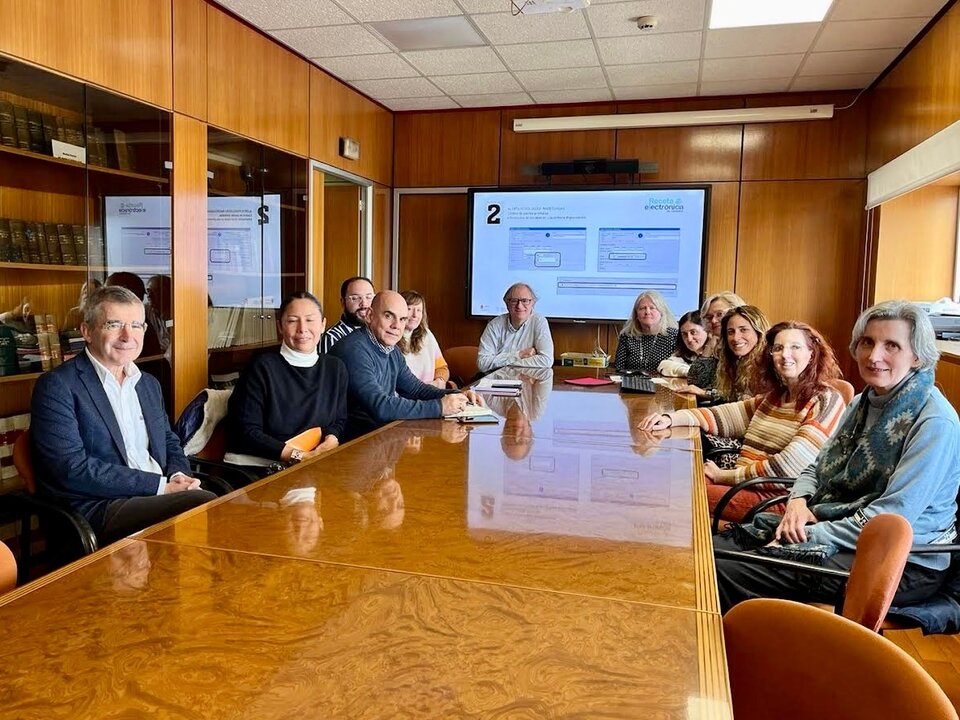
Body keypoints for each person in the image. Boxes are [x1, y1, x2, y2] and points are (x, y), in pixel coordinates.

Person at [713, 301, 960, 613]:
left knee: (724, 571)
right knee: (710, 553)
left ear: (917, 356)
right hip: (838, 529)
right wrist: (799, 503)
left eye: (892, 346)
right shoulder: (861, 402)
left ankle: (736, 658)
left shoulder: (935, 422)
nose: (874, 356)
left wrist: (803, 533)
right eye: (867, 342)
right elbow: (815, 467)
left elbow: (889, 521)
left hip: (902, 563)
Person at [30, 286, 216, 544]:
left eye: (136, 325)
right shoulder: (57, 386)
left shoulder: (147, 383)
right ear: (87, 331)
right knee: (205, 506)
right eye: (114, 324)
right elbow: (71, 468)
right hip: (100, 506)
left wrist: (177, 476)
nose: (127, 336)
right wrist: (160, 487)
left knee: (224, 501)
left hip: (159, 491)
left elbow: (169, 441)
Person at [640, 321, 846, 521]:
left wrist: (724, 476)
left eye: (795, 347)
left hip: (780, 499)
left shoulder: (827, 400)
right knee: (671, 479)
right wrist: (670, 418)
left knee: (675, 493)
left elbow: (790, 467)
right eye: (778, 348)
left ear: (812, 354)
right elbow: (721, 416)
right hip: (744, 485)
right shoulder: (774, 398)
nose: (785, 355)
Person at [330, 291, 485, 440]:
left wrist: (456, 395)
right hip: (352, 443)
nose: (396, 325)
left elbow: (415, 389)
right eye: (388, 316)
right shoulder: (354, 350)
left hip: (380, 436)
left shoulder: (391, 349)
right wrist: (440, 407)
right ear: (370, 316)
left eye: (403, 319)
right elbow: (381, 407)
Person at [225, 291, 348, 471]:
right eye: (292, 321)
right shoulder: (262, 367)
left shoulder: (335, 368)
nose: (302, 329)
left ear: (323, 325)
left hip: (313, 464)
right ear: (280, 326)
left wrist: (331, 440)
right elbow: (247, 431)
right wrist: (298, 456)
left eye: (310, 320)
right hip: (263, 468)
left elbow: (339, 420)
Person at [679, 291, 747, 400]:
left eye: (719, 314)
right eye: (709, 317)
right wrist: (709, 347)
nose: (714, 321)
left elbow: (740, 396)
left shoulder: (742, 345)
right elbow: (695, 382)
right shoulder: (719, 346)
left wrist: (706, 394)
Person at [477, 282, 554, 372]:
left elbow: (546, 360)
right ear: (507, 304)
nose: (519, 306)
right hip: (494, 381)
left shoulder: (539, 322)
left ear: (532, 303)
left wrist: (505, 363)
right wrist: (519, 355)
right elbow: (482, 363)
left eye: (525, 301)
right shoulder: (494, 325)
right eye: (514, 300)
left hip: (527, 380)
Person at [615, 290, 679, 374]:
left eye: (652, 308)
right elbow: (619, 368)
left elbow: (678, 369)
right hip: (632, 384)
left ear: (661, 312)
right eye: (642, 308)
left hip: (664, 385)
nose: (647, 312)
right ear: (636, 314)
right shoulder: (627, 336)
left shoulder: (674, 336)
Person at [398, 290, 449, 388]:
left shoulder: (426, 334)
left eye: (419, 310)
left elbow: (442, 368)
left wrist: (439, 380)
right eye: (409, 309)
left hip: (428, 393)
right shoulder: (391, 337)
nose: (415, 315)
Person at [319, 276, 374, 354]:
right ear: (343, 302)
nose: (364, 304)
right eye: (355, 298)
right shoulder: (332, 337)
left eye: (369, 297)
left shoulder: (378, 333)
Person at [658, 310, 710, 377]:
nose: (689, 339)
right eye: (684, 334)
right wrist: (690, 372)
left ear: (707, 330)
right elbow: (663, 365)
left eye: (693, 332)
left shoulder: (717, 355)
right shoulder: (687, 356)